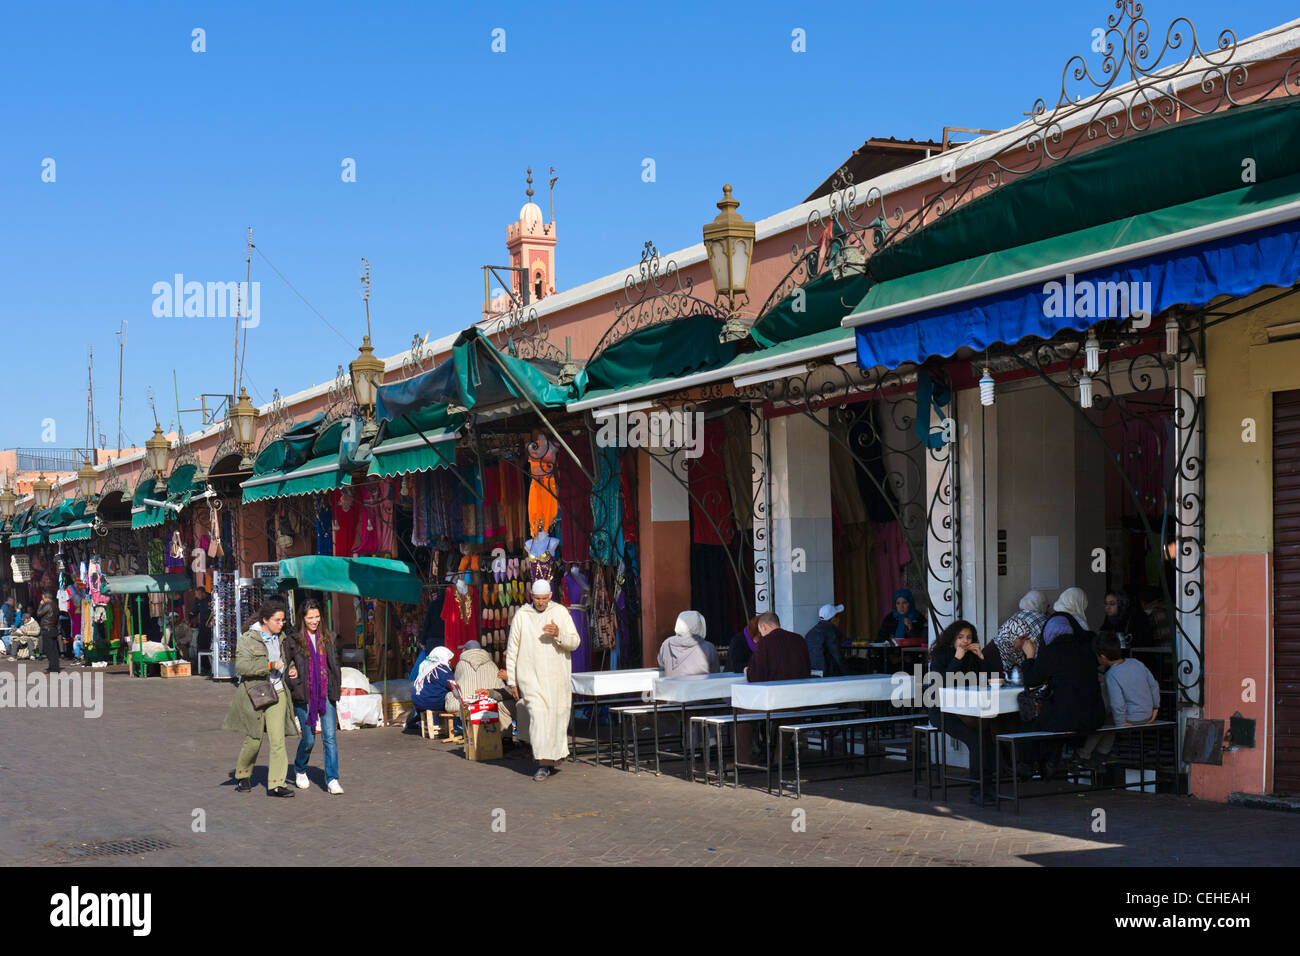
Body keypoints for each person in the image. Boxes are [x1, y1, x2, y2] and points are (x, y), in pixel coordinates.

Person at [222, 600, 301, 797]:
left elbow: (285, 661)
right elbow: (241, 667)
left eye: (283, 620)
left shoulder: (282, 637)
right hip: (255, 693)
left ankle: (276, 784)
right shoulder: (248, 639)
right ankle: (243, 774)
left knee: (277, 740)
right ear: (265, 620)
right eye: (277, 620)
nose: (281, 624)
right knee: (255, 739)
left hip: (278, 692)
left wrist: (290, 669)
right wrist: (267, 666)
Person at [506, 578, 581, 782]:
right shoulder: (522, 615)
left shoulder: (560, 613)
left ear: (550, 596)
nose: (540, 602)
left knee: (556, 718)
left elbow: (575, 642)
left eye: (543, 598)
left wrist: (559, 633)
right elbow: (512, 649)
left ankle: (553, 758)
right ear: (532, 596)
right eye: (537, 598)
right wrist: (513, 681)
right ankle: (543, 763)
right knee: (538, 717)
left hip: (557, 679)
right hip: (530, 678)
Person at [1020, 605, 1106, 779]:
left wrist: (1029, 656)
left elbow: (1031, 680)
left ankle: (1028, 765)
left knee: (1032, 720)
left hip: (1068, 719)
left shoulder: (1052, 651)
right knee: (1059, 712)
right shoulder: (1087, 648)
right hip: (1094, 716)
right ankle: (1050, 763)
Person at [926, 620, 1003, 804]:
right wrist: (956, 659)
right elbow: (940, 686)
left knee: (987, 737)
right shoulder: (941, 655)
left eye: (968, 637)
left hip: (969, 710)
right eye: (960, 637)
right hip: (943, 711)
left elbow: (985, 682)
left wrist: (982, 658)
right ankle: (978, 790)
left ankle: (988, 786)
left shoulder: (972, 656)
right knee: (976, 740)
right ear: (952, 638)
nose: (965, 641)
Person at [1075, 633, 1162, 769]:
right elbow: (1154, 685)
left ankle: (1084, 754)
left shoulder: (1112, 675)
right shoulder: (1136, 663)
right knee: (1112, 719)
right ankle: (1102, 753)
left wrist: (1121, 724)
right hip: (1148, 715)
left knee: (1105, 720)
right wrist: (1155, 708)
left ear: (1102, 657)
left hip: (1131, 718)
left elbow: (1117, 703)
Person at [284, 599, 344, 795]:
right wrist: (291, 671)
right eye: (310, 617)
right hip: (305, 692)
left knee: (330, 737)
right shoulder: (293, 639)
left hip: (326, 691)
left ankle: (332, 779)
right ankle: (300, 767)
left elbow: (334, 664)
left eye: (317, 617)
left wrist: (336, 686)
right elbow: (285, 665)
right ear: (303, 618)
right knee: (309, 738)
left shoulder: (326, 637)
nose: (314, 621)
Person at [736, 611, 811, 764]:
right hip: (798, 701)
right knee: (787, 715)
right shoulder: (799, 639)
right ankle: (779, 757)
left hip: (776, 702)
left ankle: (744, 760)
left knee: (742, 710)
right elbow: (807, 669)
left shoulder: (764, 643)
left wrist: (747, 672)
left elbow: (756, 677)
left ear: (763, 626)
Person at [450, 639, 519, 737]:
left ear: (465, 650)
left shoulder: (460, 664)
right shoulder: (491, 664)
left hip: (468, 702)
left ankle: (507, 739)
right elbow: (501, 686)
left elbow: (457, 684)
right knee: (500, 704)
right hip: (490, 701)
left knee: (450, 696)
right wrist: (490, 693)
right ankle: (505, 738)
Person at [993, 590, 1049, 674]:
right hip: (1035, 668)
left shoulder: (1014, 616)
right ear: (1042, 605)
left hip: (1011, 668)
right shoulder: (1044, 620)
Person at [657, 610, 719, 677]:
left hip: (673, 687)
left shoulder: (666, 644)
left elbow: (662, 664)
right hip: (700, 687)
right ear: (699, 625)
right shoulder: (709, 647)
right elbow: (715, 673)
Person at [411, 646, 457, 725]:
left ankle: (427, 722)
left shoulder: (425, 667)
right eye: (448, 659)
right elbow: (452, 685)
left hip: (418, 702)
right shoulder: (442, 669)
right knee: (453, 697)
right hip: (431, 702)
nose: (449, 662)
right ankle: (455, 726)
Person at [805, 603, 847, 677]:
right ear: (834, 619)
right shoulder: (832, 632)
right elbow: (837, 656)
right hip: (828, 674)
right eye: (838, 616)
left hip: (812, 673)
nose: (839, 620)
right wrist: (848, 674)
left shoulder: (810, 633)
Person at [35, 589, 60, 673]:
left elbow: (39, 613)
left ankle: (54, 668)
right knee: (53, 649)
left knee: (49, 650)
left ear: (46, 598)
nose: (42, 600)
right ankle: (53, 667)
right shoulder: (55, 605)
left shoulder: (48, 605)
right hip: (53, 628)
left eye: (43, 598)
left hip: (47, 629)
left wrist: (40, 605)